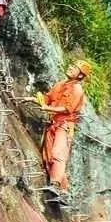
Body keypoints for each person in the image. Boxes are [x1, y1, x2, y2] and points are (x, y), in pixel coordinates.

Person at [37, 61, 92, 195]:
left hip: (65, 125)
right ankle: (63, 191)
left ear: (80, 76)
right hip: (53, 124)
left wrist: (47, 108)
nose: (70, 67)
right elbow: (48, 98)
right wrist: (31, 99)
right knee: (48, 157)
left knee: (58, 154)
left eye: (74, 68)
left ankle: (55, 185)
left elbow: (68, 109)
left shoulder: (77, 89)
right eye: (71, 65)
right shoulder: (60, 84)